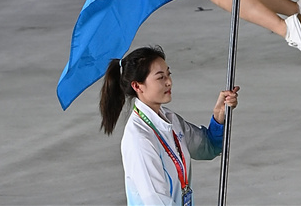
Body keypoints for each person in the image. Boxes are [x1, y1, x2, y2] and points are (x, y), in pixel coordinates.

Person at [99, 46, 240, 206]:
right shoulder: (139, 139)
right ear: (137, 86)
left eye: (168, 74)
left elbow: (208, 147)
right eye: (160, 77)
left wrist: (219, 115)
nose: (169, 82)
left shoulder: (170, 120)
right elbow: (156, 201)